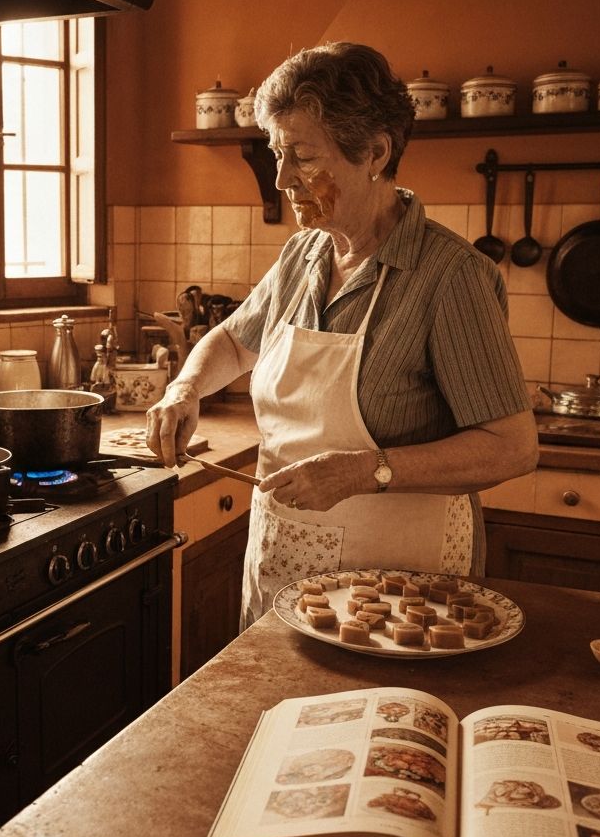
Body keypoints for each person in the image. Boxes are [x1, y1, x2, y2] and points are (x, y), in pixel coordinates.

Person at [146, 42, 538, 627]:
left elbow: (513, 446)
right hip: (283, 565)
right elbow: (232, 341)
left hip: (402, 589)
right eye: (277, 154)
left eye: (301, 156)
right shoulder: (303, 254)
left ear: (376, 151)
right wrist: (185, 390)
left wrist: (365, 471)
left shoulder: (450, 276)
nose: (282, 178)